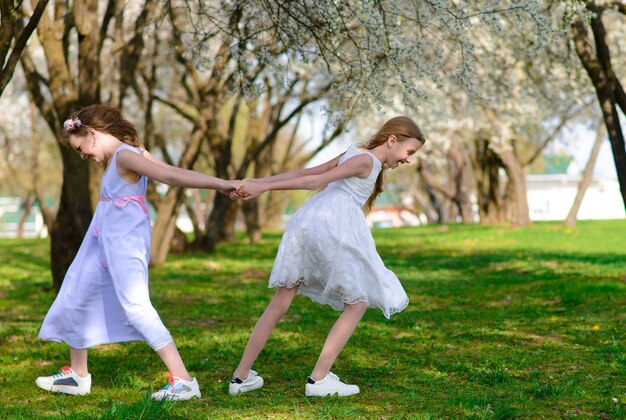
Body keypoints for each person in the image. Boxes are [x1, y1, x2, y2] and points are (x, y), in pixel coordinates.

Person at [36, 104, 239, 401]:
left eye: (81, 149)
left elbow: (171, 176)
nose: (84, 157)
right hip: (100, 239)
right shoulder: (128, 153)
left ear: (92, 134)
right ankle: (78, 375)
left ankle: (183, 380)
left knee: (136, 307)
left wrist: (220, 184)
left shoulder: (127, 156)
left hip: (124, 242)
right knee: (74, 292)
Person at [228, 116, 426, 397]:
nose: (408, 159)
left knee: (282, 300)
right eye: (410, 152)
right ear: (392, 140)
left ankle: (240, 377)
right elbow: (314, 180)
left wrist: (260, 182)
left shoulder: (354, 153)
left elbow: (306, 173)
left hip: (307, 221)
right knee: (357, 303)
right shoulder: (367, 161)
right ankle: (319, 380)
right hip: (332, 225)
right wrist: (263, 186)